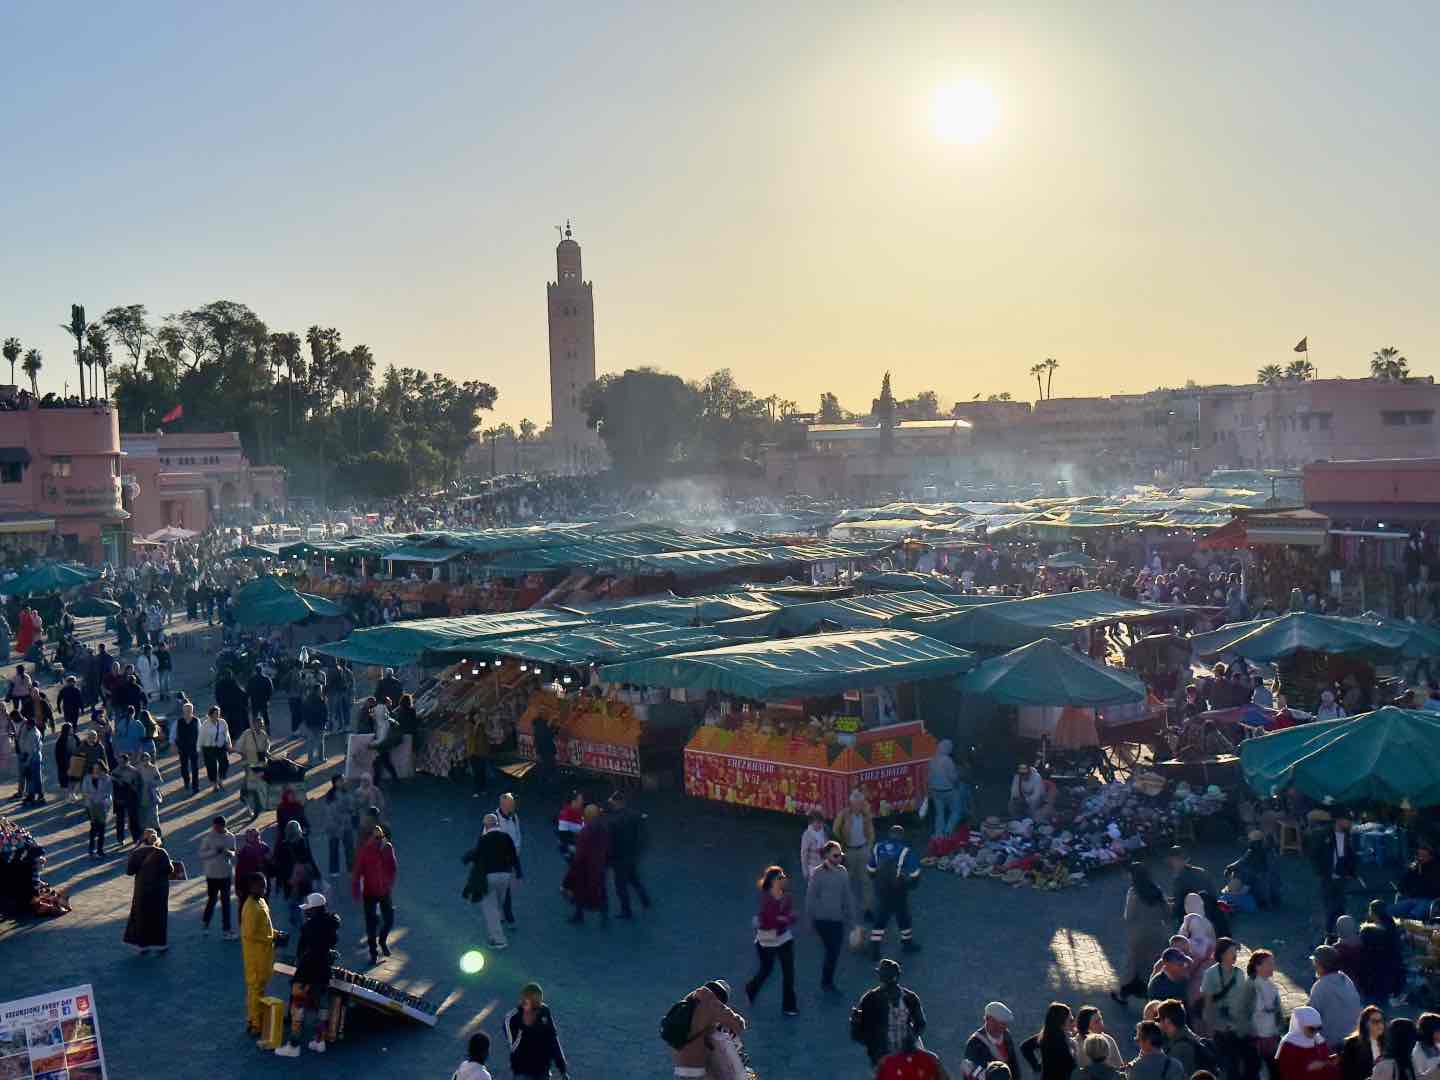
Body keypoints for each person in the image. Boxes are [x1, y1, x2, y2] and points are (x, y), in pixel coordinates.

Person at [276, 892, 341, 1057]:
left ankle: (293, 1045)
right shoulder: (332, 924)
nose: (306, 912)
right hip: (324, 970)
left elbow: (302, 950)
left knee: (297, 1007)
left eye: (309, 909)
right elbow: (332, 942)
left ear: (314, 909)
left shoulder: (308, 927)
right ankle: (319, 1041)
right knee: (322, 1008)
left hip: (307, 970)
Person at [1114, 863, 1172, 1004]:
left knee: (1133, 967)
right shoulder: (1157, 891)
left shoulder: (1134, 893)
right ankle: (1152, 997)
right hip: (1158, 934)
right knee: (1153, 967)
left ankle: (1123, 994)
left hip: (1139, 935)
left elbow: (1129, 916)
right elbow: (1167, 913)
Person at [852, 958, 927, 1067]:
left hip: (902, 1053)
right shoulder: (870, 1000)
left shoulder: (870, 999)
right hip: (885, 1056)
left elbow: (920, 1024)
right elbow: (921, 1024)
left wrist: (911, 1040)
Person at [745, 864, 798, 1016]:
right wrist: (784, 919)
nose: (784, 879)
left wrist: (786, 918)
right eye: (780, 877)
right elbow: (769, 919)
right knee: (766, 970)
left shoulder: (787, 897)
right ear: (773, 881)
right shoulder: (766, 898)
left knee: (789, 973)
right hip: (767, 940)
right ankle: (751, 988)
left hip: (784, 938)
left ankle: (789, 1006)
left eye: (784, 876)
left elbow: (785, 917)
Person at [667, 980, 747, 1080]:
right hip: (696, 1065)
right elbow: (739, 1025)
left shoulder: (690, 1000)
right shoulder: (712, 1003)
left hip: (679, 1062)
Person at [461, 813, 518, 949]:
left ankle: (499, 940)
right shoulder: (506, 837)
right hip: (505, 875)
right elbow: (513, 856)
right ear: (497, 823)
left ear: (486, 825)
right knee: (499, 901)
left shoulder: (484, 839)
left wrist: (466, 858)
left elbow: (476, 854)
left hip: (489, 876)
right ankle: (502, 920)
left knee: (490, 908)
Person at [868, 823, 922, 959]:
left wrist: (877, 881)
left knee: (881, 918)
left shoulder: (877, 847)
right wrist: (910, 884)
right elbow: (915, 873)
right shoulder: (905, 850)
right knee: (903, 916)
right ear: (901, 836)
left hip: (881, 888)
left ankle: (874, 948)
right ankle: (907, 943)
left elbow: (870, 869)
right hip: (897, 889)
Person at [808, 840, 855, 993]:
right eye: (835, 855)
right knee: (832, 950)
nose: (839, 858)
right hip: (822, 920)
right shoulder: (817, 873)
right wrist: (810, 920)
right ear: (826, 855)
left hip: (837, 919)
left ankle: (827, 980)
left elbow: (847, 895)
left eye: (840, 855)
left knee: (834, 951)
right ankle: (827, 982)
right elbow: (811, 897)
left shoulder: (843, 872)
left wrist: (851, 916)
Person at [1203, 937, 1252, 1077]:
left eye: (1236, 952)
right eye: (1232, 952)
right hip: (1221, 1029)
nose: (1235, 955)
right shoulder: (1210, 974)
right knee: (1226, 1065)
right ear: (1222, 954)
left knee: (1242, 1063)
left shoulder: (1239, 973)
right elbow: (1208, 1003)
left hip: (1237, 1027)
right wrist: (1210, 1029)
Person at [240, 873, 280, 1041]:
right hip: (255, 957)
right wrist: (271, 938)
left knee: (259, 988)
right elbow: (250, 934)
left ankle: (256, 1018)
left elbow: (265, 926)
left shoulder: (261, 902)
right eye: (261, 886)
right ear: (251, 887)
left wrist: (276, 933)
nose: (264, 889)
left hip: (263, 955)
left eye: (265, 885)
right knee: (255, 989)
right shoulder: (250, 907)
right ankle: (255, 1023)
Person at [123, 828, 175, 955]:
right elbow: (169, 870)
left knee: (141, 916)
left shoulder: (136, 853)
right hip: (159, 890)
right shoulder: (162, 852)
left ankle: (143, 945)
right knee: (159, 916)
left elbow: (129, 871)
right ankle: (160, 944)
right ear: (156, 839)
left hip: (142, 889)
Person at [352, 823, 398, 966]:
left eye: (381, 837)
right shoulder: (365, 851)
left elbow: (393, 867)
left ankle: (382, 941)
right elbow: (357, 872)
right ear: (371, 838)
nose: (379, 840)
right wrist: (356, 891)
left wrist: (388, 883)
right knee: (371, 925)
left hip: (384, 891)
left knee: (389, 920)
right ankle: (373, 952)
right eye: (376, 837)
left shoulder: (387, 848)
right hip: (369, 892)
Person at [504, 982, 569, 1080]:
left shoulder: (544, 1011)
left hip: (543, 1072)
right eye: (535, 1004)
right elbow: (513, 1047)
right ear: (524, 1001)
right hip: (523, 1073)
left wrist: (562, 1069)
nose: (538, 1008)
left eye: (539, 1003)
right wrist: (525, 1026)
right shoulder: (512, 1018)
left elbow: (553, 1039)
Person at [1309, 814, 1359, 933]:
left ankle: (1337, 929)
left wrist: (1351, 872)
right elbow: (1315, 854)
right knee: (1329, 904)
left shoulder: (1347, 835)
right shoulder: (1323, 834)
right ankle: (1329, 929)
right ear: (1339, 820)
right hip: (1328, 875)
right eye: (1348, 820)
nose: (1350, 823)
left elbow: (1351, 855)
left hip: (1341, 875)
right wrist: (1320, 871)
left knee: (1340, 904)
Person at [1307, 944, 1362, 1051]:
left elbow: (1313, 1016)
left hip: (1333, 1041)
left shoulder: (1321, 986)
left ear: (1320, 964)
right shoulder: (1345, 979)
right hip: (1353, 1035)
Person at [562, 804, 609, 925]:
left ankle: (579, 915)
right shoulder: (603, 827)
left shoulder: (585, 831)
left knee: (579, 890)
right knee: (601, 890)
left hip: (585, 867)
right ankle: (604, 916)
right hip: (600, 865)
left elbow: (580, 854)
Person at [606, 791, 650, 919]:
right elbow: (641, 836)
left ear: (617, 802)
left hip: (619, 859)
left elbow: (611, 841)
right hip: (632, 856)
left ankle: (626, 911)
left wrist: (608, 859)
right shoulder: (634, 815)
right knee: (635, 880)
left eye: (613, 802)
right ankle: (645, 900)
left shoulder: (613, 820)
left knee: (620, 886)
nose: (611, 804)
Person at [835, 789, 877, 919]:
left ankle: (867, 909)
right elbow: (836, 830)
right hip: (849, 851)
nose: (859, 806)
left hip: (863, 849)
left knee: (867, 881)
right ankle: (842, 906)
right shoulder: (844, 815)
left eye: (861, 803)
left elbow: (871, 832)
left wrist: (869, 847)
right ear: (851, 803)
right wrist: (841, 847)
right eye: (857, 803)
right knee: (846, 880)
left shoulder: (866, 816)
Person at [273, 820, 321, 930]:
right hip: (304, 875)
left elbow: (279, 865)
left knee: (293, 900)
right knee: (306, 897)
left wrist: (279, 883)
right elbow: (309, 857)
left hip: (290, 877)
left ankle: (296, 919)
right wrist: (317, 873)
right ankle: (306, 920)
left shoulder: (283, 845)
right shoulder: (303, 841)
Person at [1245, 949, 1285, 1077]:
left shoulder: (1271, 985)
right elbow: (1257, 1009)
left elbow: (1276, 1009)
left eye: (1273, 963)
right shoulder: (1251, 985)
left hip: (1272, 1034)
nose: (1272, 967)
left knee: (1274, 1069)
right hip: (1259, 1036)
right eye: (1269, 964)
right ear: (1257, 966)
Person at [198, 815, 238, 940]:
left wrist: (228, 852)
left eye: (218, 827)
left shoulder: (231, 837)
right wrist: (214, 851)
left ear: (223, 826)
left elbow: (233, 852)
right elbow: (201, 854)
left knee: (226, 902)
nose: (216, 829)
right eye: (214, 826)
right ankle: (205, 923)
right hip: (212, 874)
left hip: (225, 873)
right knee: (212, 900)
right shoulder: (208, 838)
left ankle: (226, 930)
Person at [1276, 1006, 1339, 1080]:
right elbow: (1287, 1072)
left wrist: (1332, 1060)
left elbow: (1324, 1059)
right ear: (1299, 1025)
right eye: (1311, 1029)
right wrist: (1308, 1068)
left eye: (1319, 1028)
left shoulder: (1318, 1039)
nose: (1316, 1032)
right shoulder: (1288, 1044)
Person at [1021, 1003, 1077, 1080]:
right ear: (1062, 1020)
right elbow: (1070, 1065)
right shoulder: (1060, 1040)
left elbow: (1025, 1047)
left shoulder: (1045, 1035)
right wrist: (1074, 1048)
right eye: (1070, 1020)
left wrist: (1037, 1066)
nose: (1072, 1023)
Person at [963, 1003, 1019, 1079]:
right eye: (1002, 1023)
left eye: (1005, 1024)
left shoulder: (1006, 1035)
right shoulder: (974, 1043)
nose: (1005, 1027)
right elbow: (969, 1070)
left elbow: (1013, 1064)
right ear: (989, 1020)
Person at [1156, 999, 1210, 1078]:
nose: (1158, 1024)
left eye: (1159, 1020)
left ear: (1167, 1021)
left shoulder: (1180, 1049)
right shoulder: (1191, 1038)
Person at [493, 791, 522, 927]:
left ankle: (500, 914)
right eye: (511, 804)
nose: (513, 807)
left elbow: (518, 836)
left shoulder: (514, 817)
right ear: (504, 805)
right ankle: (508, 917)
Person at [1167, 847, 1218, 924]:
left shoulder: (1179, 879)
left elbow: (1179, 905)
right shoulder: (1201, 871)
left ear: (1173, 860)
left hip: (1194, 916)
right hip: (1211, 910)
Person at [1395, 842, 1440, 920]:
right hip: (1413, 898)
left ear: (1430, 857)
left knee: (1414, 913)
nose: (1420, 858)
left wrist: (1421, 873)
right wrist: (1409, 872)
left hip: (1429, 899)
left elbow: (1432, 888)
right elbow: (1401, 887)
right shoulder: (1414, 869)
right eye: (1419, 855)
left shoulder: (1435, 869)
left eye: (1424, 856)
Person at [1338, 1006, 1385, 1080]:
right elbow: (1346, 1072)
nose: (1380, 1024)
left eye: (1381, 1021)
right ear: (1365, 1023)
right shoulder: (1353, 1044)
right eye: (1375, 1021)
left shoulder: (1387, 1043)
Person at [929, 738, 963, 835]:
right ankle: (948, 831)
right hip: (948, 791)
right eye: (950, 748)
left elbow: (929, 776)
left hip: (935, 791)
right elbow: (953, 777)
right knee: (956, 811)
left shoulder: (932, 759)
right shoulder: (947, 760)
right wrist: (958, 777)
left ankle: (938, 834)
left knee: (939, 814)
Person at [81, 761, 112, 858]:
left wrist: (101, 798)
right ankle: (91, 849)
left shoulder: (106, 778)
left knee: (102, 829)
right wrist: (91, 798)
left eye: (98, 768)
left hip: (102, 805)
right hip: (91, 805)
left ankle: (100, 849)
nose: (96, 770)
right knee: (93, 828)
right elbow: (84, 791)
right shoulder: (87, 778)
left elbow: (109, 791)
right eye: (94, 768)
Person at [199, 705, 232, 792]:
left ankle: (220, 780)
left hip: (221, 746)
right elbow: (201, 736)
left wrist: (229, 744)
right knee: (211, 766)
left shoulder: (223, 722)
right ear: (211, 714)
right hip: (209, 747)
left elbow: (226, 734)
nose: (218, 715)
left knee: (225, 763)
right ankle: (214, 785)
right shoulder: (205, 724)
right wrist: (199, 748)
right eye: (216, 713)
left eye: (218, 713)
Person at [171, 701, 200, 795]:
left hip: (193, 747)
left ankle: (196, 786)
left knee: (195, 768)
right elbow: (173, 735)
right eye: (186, 710)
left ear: (192, 710)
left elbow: (200, 733)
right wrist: (173, 745)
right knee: (184, 767)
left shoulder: (196, 721)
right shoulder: (178, 722)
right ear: (183, 711)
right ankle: (187, 782)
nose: (188, 712)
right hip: (182, 748)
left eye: (190, 710)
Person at [800, 808, 828, 880]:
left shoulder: (824, 833)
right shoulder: (807, 835)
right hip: (812, 867)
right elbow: (804, 854)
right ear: (812, 822)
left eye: (821, 822)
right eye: (817, 822)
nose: (819, 825)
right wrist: (805, 871)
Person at [247, 664, 274, 728]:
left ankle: (255, 727)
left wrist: (248, 699)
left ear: (255, 671)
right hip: (264, 700)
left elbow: (248, 691)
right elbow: (270, 690)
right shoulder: (266, 679)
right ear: (261, 671)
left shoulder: (251, 680)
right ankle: (267, 728)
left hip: (255, 700)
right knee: (265, 715)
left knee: (255, 715)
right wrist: (268, 699)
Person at [1414, 1014, 1440, 1080]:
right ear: (1430, 1031)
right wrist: (1437, 1068)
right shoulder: (1417, 1052)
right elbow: (1420, 1078)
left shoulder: (1437, 1046)